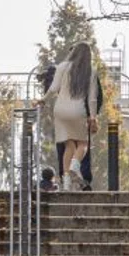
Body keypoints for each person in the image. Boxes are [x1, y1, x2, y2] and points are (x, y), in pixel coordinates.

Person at [40, 42, 99, 191]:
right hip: (78, 111)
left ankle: (66, 182)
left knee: (69, 145)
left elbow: (54, 88)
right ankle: (75, 165)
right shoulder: (91, 71)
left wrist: (43, 99)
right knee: (83, 143)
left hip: (60, 110)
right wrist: (93, 117)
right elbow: (93, 98)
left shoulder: (62, 67)